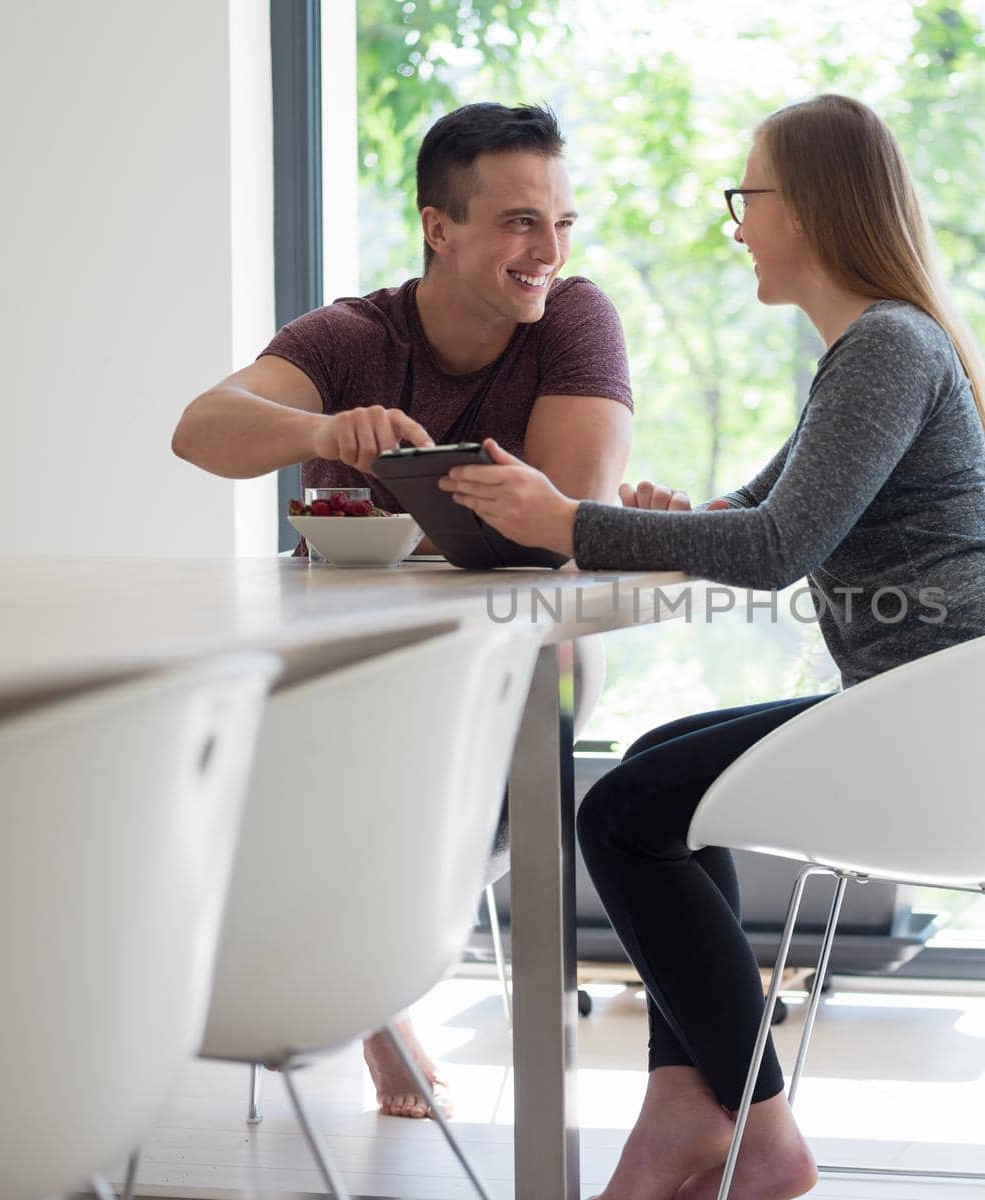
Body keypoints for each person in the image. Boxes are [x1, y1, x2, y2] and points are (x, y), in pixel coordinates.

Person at [439, 94, 985, 1199]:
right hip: (951, 703)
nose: (738, 224)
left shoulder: (883, 350)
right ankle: (689, 1103)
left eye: (747, 197)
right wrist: (668, 514)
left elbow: (771, 549)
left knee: (621, 814)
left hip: (950, 715)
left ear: (808, 210)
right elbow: (750, 512)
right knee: (653, 780)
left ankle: (756, 1131)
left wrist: (564, 520)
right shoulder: (873, 352)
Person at [172, 101, 634, 1121]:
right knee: (258, 755)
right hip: (348, 661)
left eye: (561, 222)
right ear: (440, 227)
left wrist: (414, 497)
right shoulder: (349, 338)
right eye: (519, 222)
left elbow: (563, 514)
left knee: (509, 725)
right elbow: (201, 428)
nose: (547, 249)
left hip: (517, 653)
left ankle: (369, 982)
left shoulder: (575, 318)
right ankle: (371, 994)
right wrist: (324, 424)